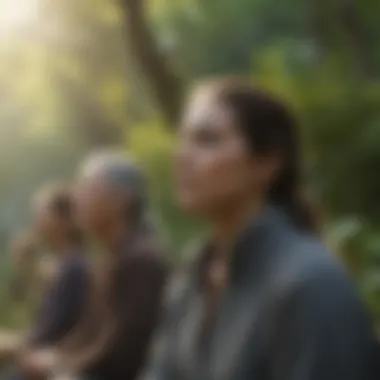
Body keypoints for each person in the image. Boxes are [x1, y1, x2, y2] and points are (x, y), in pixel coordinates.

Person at [140, 78, 377, 380]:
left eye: (208, 140)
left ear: (267, 163)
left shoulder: (309, 283)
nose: (182, 155)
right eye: (184, 139)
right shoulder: (191, 278)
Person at [30, 153, 169, 380]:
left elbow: (124, 352)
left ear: (122, 199)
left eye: (87, 189)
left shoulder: (142, 262)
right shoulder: (110, 259)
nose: (76, 198)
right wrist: (56, 356)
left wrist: (60, 366)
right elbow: (89, 333)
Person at [14, 185, 90, 379]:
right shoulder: (59, 266)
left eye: (42, 213)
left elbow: (51, 331)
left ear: (64, 220)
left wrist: (15, 348)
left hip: (51, 364)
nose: (35, 221)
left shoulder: (74, 269)